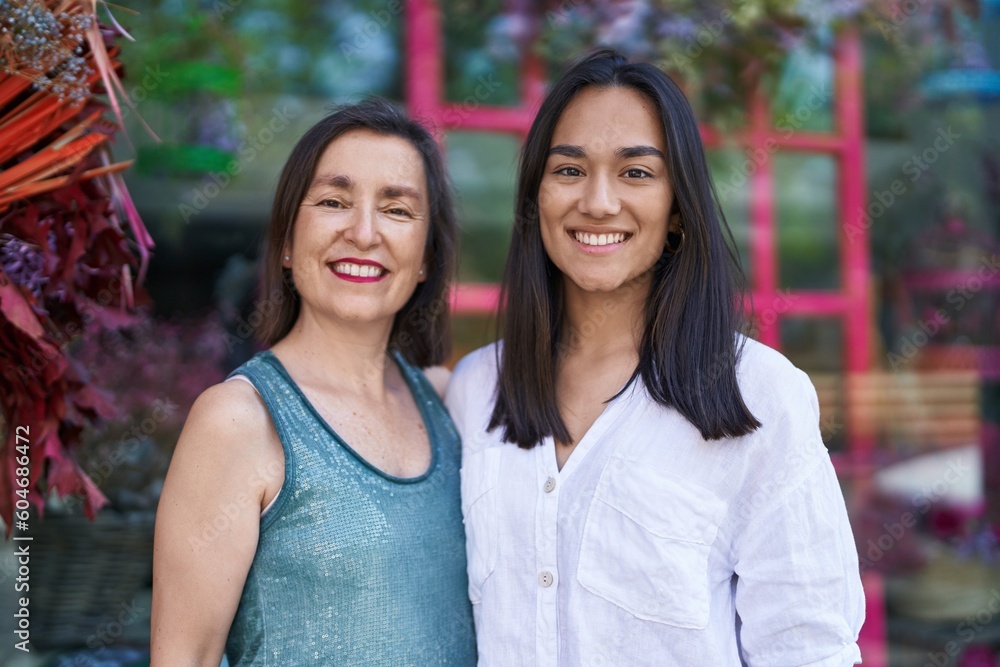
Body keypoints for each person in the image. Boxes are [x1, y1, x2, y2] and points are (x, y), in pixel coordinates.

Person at [445, 49, 864, 666]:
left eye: (636, 173)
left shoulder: (759, 394)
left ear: (677, 211)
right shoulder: (475, 387)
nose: (598, 202)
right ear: (536, 200)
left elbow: (809, 650)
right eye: (568, 170)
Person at [151, 99, 476, 666]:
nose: (364, 232)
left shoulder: (447, 402)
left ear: (425, 258)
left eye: (397, 210)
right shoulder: (238, 420)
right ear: (284, 243)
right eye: (333, 201)